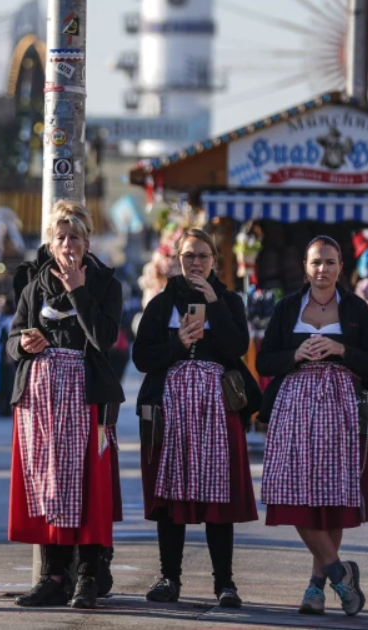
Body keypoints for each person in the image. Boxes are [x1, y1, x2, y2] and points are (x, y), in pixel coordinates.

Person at [132, 228, 260, 608]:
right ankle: (169, 577)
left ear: (214, 261)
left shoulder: (230, 300)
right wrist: (179, 344)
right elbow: (143, 357)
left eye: (203, 256)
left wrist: (214, 304)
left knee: (218, 497)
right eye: (189, 256)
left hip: (217, 408)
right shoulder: (160, 303)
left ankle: (225, 583)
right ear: (177, 259)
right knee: (170, 495)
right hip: (170, 409)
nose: (196, 263)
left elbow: (238, 347)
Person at [257, 236, 368, 617]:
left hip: (341, 407)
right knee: (291, 493)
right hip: (294, 407)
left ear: (341, 266)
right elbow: (264, 363)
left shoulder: (357, 309)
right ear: (305, 266)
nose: (322, 270)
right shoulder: (287, 307)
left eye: (330, 262)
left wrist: (342, 350)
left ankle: (318, 587)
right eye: (316, 262)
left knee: (332, 498)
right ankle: (338, 571)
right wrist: (295, 354)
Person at [7, 205, 124, 609]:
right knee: (46, 482)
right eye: (60, 238)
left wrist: (77, 288)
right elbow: (10, 340)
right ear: (50, 243)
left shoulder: (106, 283)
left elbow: (104, 338)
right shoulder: (33, 285)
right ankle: (51, 575)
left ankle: (88, 577)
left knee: (89, 484)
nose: (68, 245)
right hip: (40, 396)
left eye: (75, 237)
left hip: (87, 393)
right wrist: (22, 343)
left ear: (87, 242)